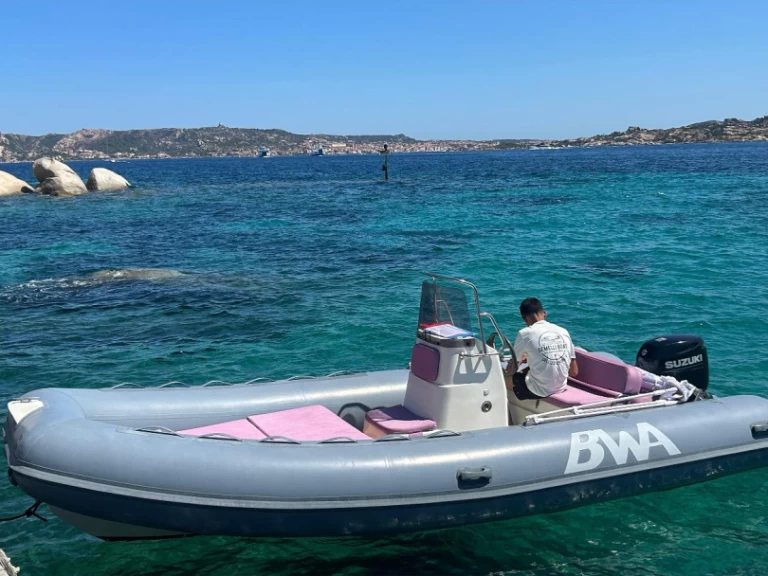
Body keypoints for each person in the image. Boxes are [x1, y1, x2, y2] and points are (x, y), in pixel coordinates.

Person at [505, 297, 578, 399]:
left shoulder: (525, 333)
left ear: (524, 318)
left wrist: (520, 360)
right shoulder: (563, 331)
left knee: (504, 378)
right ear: (544, 313)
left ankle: (509, 412)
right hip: (561, 387)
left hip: (538, 391)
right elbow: (574, 372)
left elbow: (510, 369)